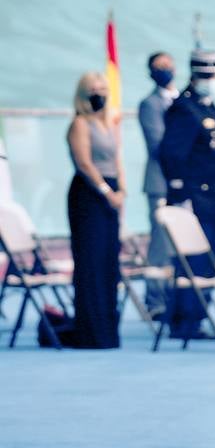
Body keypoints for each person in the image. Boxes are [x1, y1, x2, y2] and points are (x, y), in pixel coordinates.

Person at [158, 47, 215, 340]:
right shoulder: (185, 108)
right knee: (194, 262)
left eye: (213, 74)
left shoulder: (208, 106)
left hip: (213, 200)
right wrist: (181, 196)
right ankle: (185, 320)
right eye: (205, 75)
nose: (210, 79)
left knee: (206, 260)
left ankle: (196, 316)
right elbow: (171, 154)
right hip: (195, 199)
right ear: (193, 75)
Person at [64, 72, 124, 349]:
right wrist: (106, 191)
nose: (99, 92)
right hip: (89, 196)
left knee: (108, 262)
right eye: (93, 89)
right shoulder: (80, 124)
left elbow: (116, 158)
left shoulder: (110, 123)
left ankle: (108, 331)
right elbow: (85, 164)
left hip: (111, 194)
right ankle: (89, 332)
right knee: (90, 261)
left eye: (102, 87)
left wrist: (122, 190)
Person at [138, 51, 179, 316]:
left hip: (182, 184)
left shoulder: (182, 100)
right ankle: (155, 302)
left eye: (167, 65)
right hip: (160, 182)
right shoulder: (150, 104)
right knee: (160, 245)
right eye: (158, 67)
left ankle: (175, 299)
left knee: (180, 247)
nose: (164, 70)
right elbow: (158, 143)